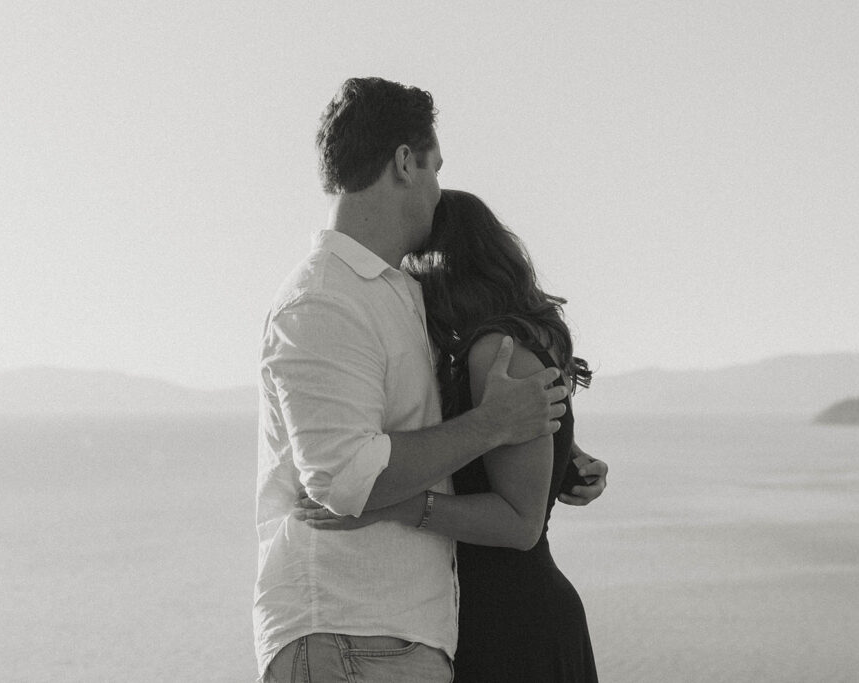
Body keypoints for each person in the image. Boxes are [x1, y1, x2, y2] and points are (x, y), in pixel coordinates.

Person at [255, 77, 608, 682]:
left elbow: (432, 422)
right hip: (348, 638)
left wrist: (552, 446)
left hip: (393, 640)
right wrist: (495, 424)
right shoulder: (324, 301)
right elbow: (345, 478)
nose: (439, 190)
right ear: (403, 163)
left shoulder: (397, 298)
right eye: (435, 167)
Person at [299, 189, 600, 681]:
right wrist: (573, 464)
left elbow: (520, 524)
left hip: (514, 629)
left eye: (413, 269)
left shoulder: (494, 353)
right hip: (503, 622)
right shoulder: (493, 348)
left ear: (440, 269)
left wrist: (395, 505)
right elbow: (519, 452)